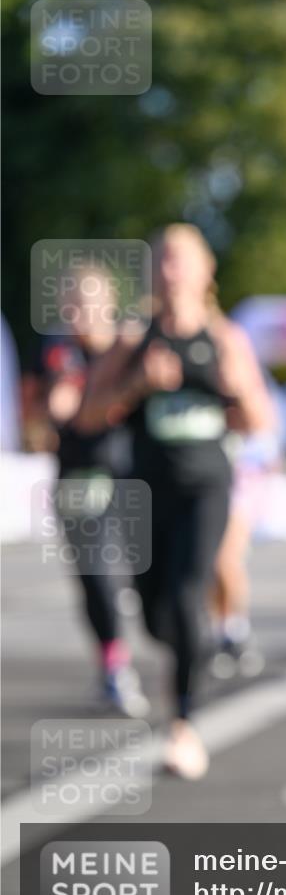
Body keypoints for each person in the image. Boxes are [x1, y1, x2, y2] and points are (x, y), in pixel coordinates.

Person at [76, 224, 263, 778]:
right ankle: (186, 646)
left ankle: (183, 725)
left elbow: (258, 420)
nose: (170, 269)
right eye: (161, 259)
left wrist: (235, 389)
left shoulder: (226, 338)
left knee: (186, 598)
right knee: (157, 614)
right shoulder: (135, 339)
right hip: (146, 490)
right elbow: (88, 416)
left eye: (181, 259)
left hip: (206, 487)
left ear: (206, 271)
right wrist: (137, 386)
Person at [22, 265, 149, 717]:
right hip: (77, 478)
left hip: (132, 477)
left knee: (144, 579)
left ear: (110, 303)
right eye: (73, 302)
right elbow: (34, 422)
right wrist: (48, 411)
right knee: (96, 578)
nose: (82, 311)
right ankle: (115, 663)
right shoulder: (55, 352)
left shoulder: (131, 348)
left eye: (91, 301)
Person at [209, 328, 280, 679]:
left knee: (226, 558)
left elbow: (265, 434)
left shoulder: (250, 383)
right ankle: (218, 628)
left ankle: (236, 630)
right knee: (208, 562)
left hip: (241, 481)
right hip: (205, 479)